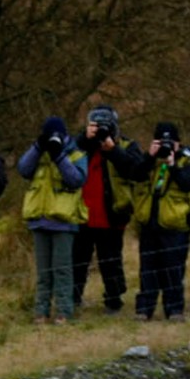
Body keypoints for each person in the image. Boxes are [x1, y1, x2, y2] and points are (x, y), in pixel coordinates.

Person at [70, 105, 148, 315]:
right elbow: (65, 159)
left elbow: (138, 171)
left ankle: (114, 300)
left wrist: (113, 150)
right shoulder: (80, 145)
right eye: (96, 126)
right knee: (77, 260)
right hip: (81, 213)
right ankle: (73, 299)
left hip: (112, 213)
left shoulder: (127, 145)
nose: (101, 131)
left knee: (111, 261)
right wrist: (85, 140)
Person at [124, 121, 190, 321]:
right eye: (161, 141)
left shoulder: (188, 161)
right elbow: (134, 174)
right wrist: (150, 156)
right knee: (147, 270)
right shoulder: (150, 161)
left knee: (173, 270)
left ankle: (174, 310)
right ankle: (144, 310)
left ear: (178, 143)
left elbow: (188, 183)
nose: (166, 145)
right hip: (150, 223)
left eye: (170, 141)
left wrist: (173, 164)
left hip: (175, 225)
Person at [17, 116, 88, 323]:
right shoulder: (39, 154)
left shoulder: (76, 153)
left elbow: (76, 180)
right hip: (39, 219)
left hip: (64, 221)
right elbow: (23, 169)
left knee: (63, 270)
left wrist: (59, 156)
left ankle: (63, 312)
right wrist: (38, 146)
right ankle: (41, 311)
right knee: (43, 271)